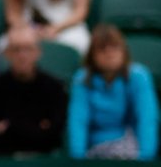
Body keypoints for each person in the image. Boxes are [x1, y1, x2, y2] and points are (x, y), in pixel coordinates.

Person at [68, 24, 159, 160]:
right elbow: (78, 121)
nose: (110, 54)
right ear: (92, 55)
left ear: (124, 51)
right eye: (102, 49)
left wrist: (144, 158)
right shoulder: (81, 79)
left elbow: (147, 118)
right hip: (94, 149)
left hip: (130, 147)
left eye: (115, 47)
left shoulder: (139, 76)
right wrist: (78, 159)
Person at [0, 25, 68, 157]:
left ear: (38, 52)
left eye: (28, 49)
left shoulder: (54, 88)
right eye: (16, 50)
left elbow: (54, 137)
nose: (22, 56)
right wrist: (37, 128)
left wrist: (8, 128)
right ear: (7, 54)